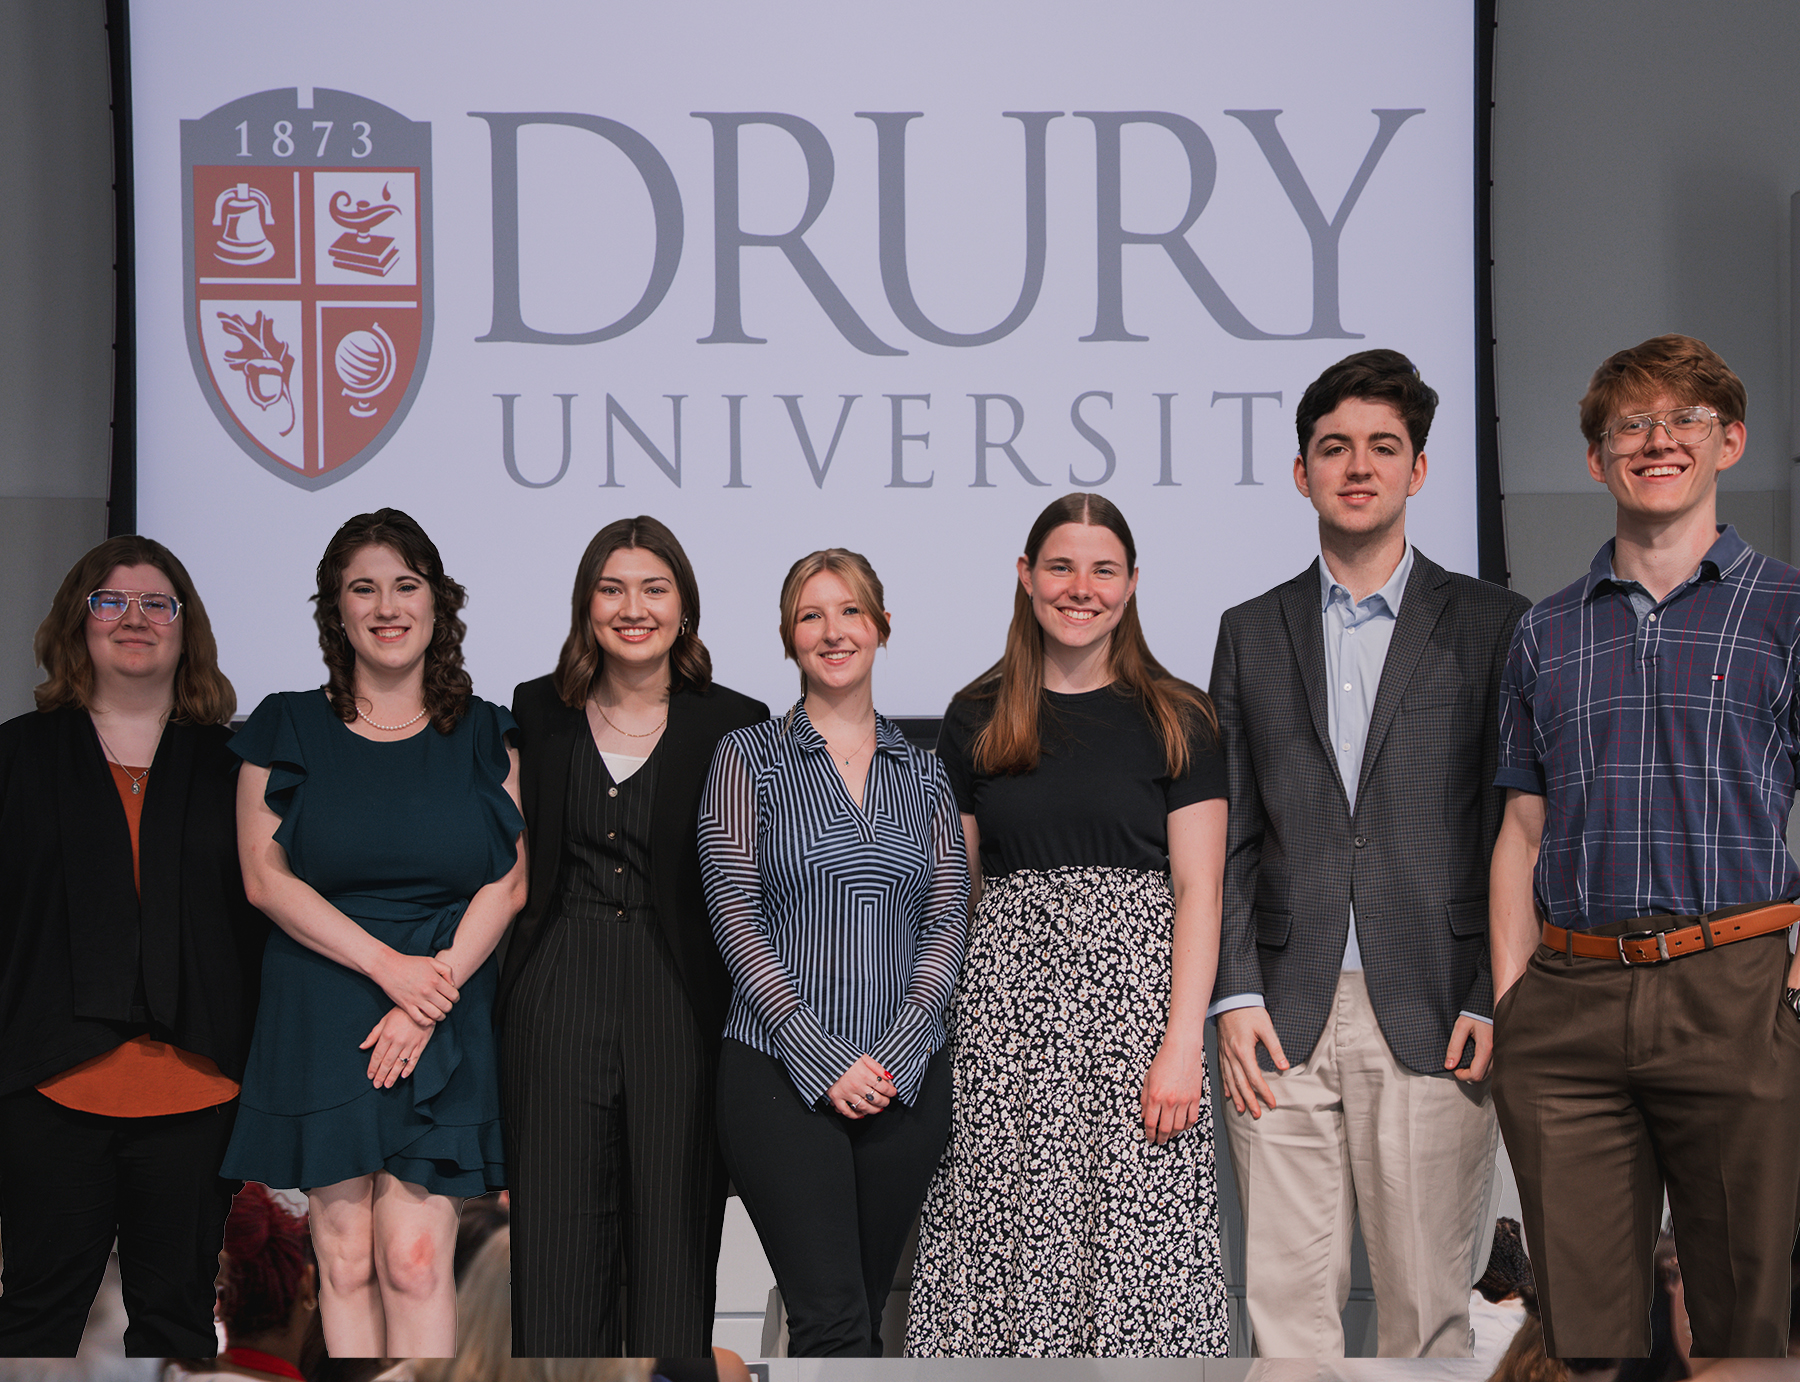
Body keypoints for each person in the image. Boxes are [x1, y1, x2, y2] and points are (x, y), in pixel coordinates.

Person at [1208, 348, 1529, 1357]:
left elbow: (1516, 829)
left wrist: (1491, 992)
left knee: (1428, 1318)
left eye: (1383, 447)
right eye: (1334, 446)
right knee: (1286, 1324)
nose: (1359, 465)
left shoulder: (1494, 625)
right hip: (1278, 1014)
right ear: (1301, 471)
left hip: (1438, 1006)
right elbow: (1230, 832)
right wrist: (1234, 990)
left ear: (1418, 470)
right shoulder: (1250, 630)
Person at [1490, 333, 1800, 1359]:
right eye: (1632, 424)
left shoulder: (1788, 611)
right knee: (1584, 1345)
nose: (1658, 440)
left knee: (1742, 1335)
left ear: (1730, 443)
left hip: (1736, 991)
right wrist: (1514, 999)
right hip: (1568, 1003)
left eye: (1685, 421)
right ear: (1597, 458)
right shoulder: (1545, 633)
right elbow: (1521, 828)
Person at [906, 492, 1228, 1357]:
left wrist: (1183, 1045)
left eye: (1102, 570)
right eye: (1060, 567)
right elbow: (955, 891)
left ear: (1131, 584)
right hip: (1004, 1032)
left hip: (1137, 1033)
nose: (1080, 588)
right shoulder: (975, 715)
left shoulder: (1180, 715)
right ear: (1026, 576)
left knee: (1137, 1253)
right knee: (1006, 1246)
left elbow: (1200, 889)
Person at [224, 508, 526, 1359]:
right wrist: (390, 970)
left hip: (444, 999)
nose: (387, 607)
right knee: (347, 1258)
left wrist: (429, 992)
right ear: (337, 609)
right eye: (364, 589)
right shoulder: (285, 724)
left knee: (417, 1261)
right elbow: (264, 879)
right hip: (324, 998)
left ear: (437, 602)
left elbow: (509, 882)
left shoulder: (487, 731)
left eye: (405, 585)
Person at [500, 515, 768, 1357]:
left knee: (673, 1246)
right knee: (555, 1255)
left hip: (677, 996)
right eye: (611, 589)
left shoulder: (735, 722)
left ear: (685, 607)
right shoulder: (537, 709)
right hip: (555, 991)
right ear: (586, 605)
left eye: (654, 589)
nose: (633, 608)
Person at [0, 535, 266, 1357]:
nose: (134, 619)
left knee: (178, 1328)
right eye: (110, 601)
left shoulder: (240, 764)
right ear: (76, 622)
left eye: (157, 603)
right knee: (35, 1323)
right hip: (47, 1086)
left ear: (187, 629)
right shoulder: (15, 756)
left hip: (198, 1090)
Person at [698, 548, 968, 1358]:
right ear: (789, 638)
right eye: (811, 616)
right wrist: (825, 1059)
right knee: (832, 1322)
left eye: (850, 611)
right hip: (777, 1074)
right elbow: (735, 917)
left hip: (903, 1081)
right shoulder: (747, 758)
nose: (833, 631)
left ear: (882, 626)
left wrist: (898, 1050)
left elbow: (947, 918)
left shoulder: (925, 774)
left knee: (864, 1319)